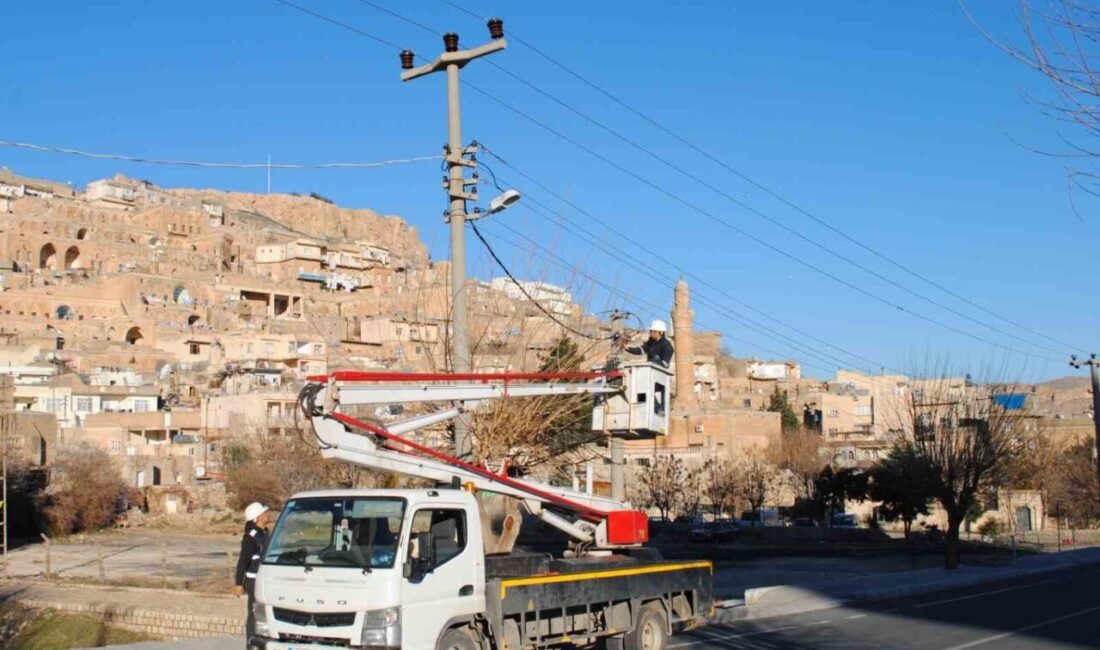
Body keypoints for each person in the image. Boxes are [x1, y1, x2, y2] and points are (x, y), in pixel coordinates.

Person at [234, 502, 274, 641]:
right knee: (253, 613)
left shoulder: (266, 533)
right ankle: (251, 641)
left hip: (266, 579)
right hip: (254, 581)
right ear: (257, 518)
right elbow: (243, 561)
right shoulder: (251, 537)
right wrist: (239, 583)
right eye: (264, 513)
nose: (267, 514)